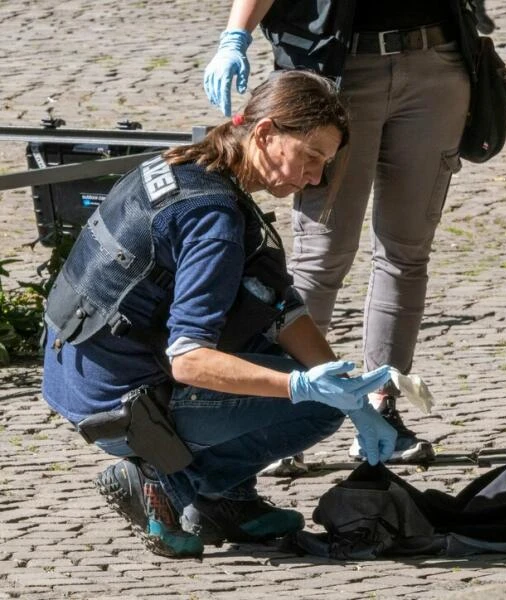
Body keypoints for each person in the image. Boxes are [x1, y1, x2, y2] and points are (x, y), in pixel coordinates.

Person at [41, 70, 398, 559]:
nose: (315, 177)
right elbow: (189, 359)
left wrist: (355, 398)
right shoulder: (214, 218)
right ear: (266, 133)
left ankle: (226, 499)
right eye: (311, 156)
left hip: (75, 363)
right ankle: (171, 484)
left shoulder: (191, 165)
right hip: (116, 400)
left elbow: (279, 305)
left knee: (280, 352)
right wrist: (305, 387)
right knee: (314, 406)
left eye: (324, 164)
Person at [204, 0, 477, 466]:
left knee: (407, 252)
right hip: (340, 70)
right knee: (323, 254)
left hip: (436, 60)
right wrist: (236, 36)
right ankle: (280, 410)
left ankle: (382, 402)